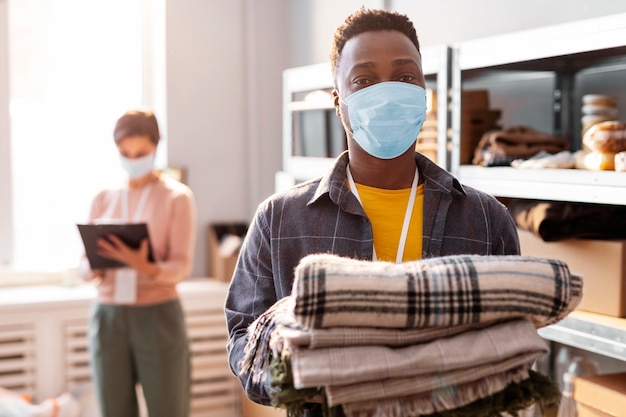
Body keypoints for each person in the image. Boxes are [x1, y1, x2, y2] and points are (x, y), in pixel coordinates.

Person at [225, 8, 520, 416]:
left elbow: (513, 346)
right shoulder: (280, 220)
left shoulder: (486, 220)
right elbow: (243, 339)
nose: (387, 92)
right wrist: (306, 373)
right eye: (363, 80)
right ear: (339, 103)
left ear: (424, 92)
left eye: (405, 77)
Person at [79, 109, 197, 417]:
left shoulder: (177, 198)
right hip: (108, 317)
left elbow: (180, 268)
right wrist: (98, 263)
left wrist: (143, 264)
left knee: (168, 407)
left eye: (141, 152)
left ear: (156, 146)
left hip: (157, 316)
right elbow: (82, 269)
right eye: (125, 153)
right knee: (113, 408)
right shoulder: (102, 198)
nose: (133, 159)